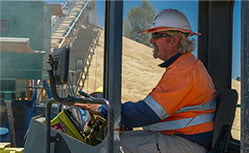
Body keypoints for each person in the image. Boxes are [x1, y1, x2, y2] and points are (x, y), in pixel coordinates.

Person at [75, 9, 216, 153]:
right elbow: (153, 112)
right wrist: (123, 119)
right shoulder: (186, 66)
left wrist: (102, 109)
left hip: (185, 144)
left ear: (174, 40)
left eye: (156, 35)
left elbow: (148, 112)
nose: (151, 40)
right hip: (181, 139)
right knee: (117, 138)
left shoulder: (184, 71)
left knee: (109, 146)